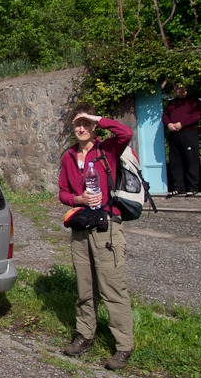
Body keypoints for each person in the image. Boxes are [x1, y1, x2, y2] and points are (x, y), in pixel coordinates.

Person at [58, 103, 134, 371]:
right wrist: (77, 198)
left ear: (93, 125)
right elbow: (63, 193)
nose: (81, 128)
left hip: (107, 227)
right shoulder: (68, 156)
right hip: (80, 228)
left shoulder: (107, 150)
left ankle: (124, 346)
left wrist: (98, 118)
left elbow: (125, 133)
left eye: (86, 123)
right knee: (84, 287)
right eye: (77, 124)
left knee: (112, 288)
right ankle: (85, 335)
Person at [162, 83, 201, 197]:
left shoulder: (193, 101)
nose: (181, 90)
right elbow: (165, 116)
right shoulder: (171, 103)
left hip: (189, 133)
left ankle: (193, 187)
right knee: (175, 161)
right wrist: (169, 124)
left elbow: (197, 115)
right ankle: (179, 187)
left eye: (183, 87)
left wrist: (182, 124)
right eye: (177, 88)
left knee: (191, 160)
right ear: (174, 90)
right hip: (175, 135)